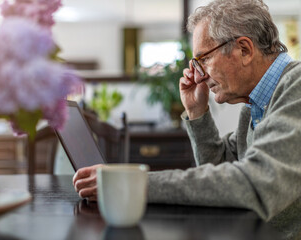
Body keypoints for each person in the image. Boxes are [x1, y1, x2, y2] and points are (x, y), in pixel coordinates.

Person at [73, 0, 301, 238]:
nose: (199, 75)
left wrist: (132, 185)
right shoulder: (255, 105)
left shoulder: (296, 87)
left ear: (244, 49)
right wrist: (197, 112)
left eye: (204, 59)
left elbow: (253, 183)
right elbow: (220, 174)